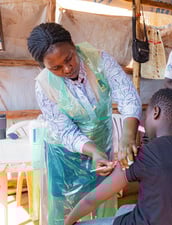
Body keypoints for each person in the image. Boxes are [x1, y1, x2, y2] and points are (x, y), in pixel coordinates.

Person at [27, 23, 142, 224]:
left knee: (102, 198)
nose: (67, 68)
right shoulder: (43, 86)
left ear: (74, 45)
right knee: (66, 209)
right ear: (44, 67)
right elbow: (65, 131)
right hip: (64, 155)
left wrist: (127, 134)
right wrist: (93, 152)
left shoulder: (100, 60)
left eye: (69, 58)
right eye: (56, 68)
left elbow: (127, 95)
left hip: (102, 143)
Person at [64, 88, 172, 225]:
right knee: (126, 208)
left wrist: (68, 221)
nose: (144, 121)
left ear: (155, 112)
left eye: (146, 114)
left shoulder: (146, 153)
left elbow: (91, 200)